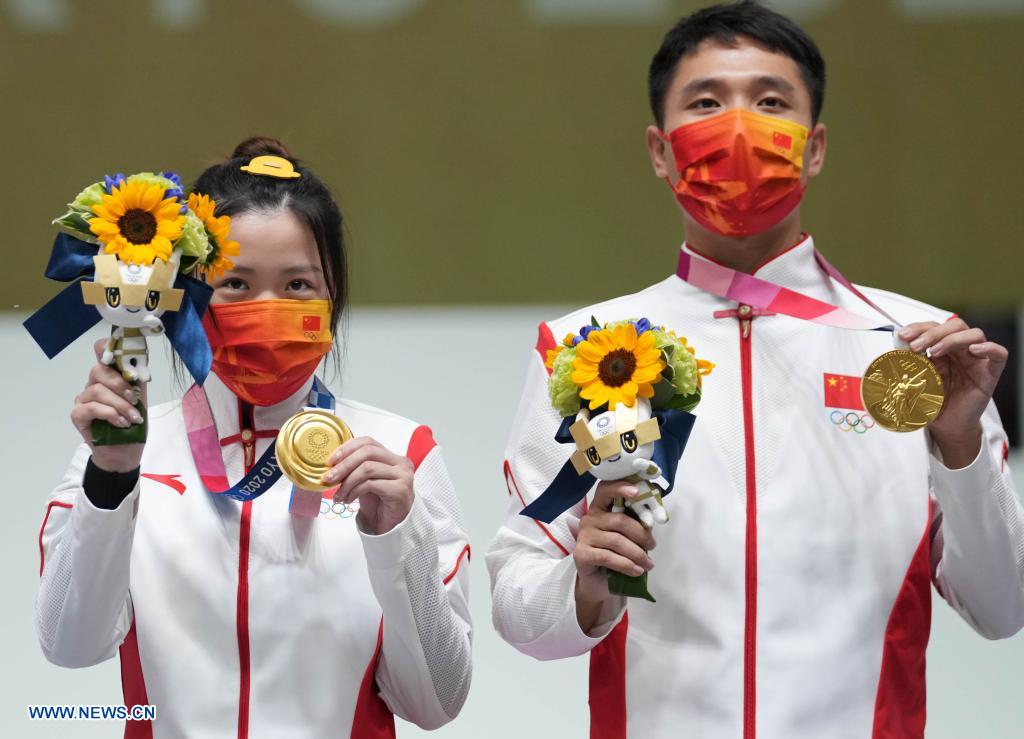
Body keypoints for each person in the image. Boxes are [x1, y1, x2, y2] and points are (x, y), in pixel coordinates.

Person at [486, 3, 1020, 738]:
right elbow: (518, 605)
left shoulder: (913, 351)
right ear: (660, 149)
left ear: (815, 145)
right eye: (706, 103)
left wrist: (960, 447)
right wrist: (582, 587)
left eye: (771, 102)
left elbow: (1003, 607)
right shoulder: (586, 349)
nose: (738, 126)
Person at [36, 137, 472, 738]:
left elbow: (435, 703)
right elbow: (69, 644)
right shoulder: (127, 451)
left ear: (333, 295)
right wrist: (110, 478)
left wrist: (396, 536)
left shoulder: (400, 456)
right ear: (186, 295)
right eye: (236, 284)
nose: (267, 308)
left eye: (296, 286)